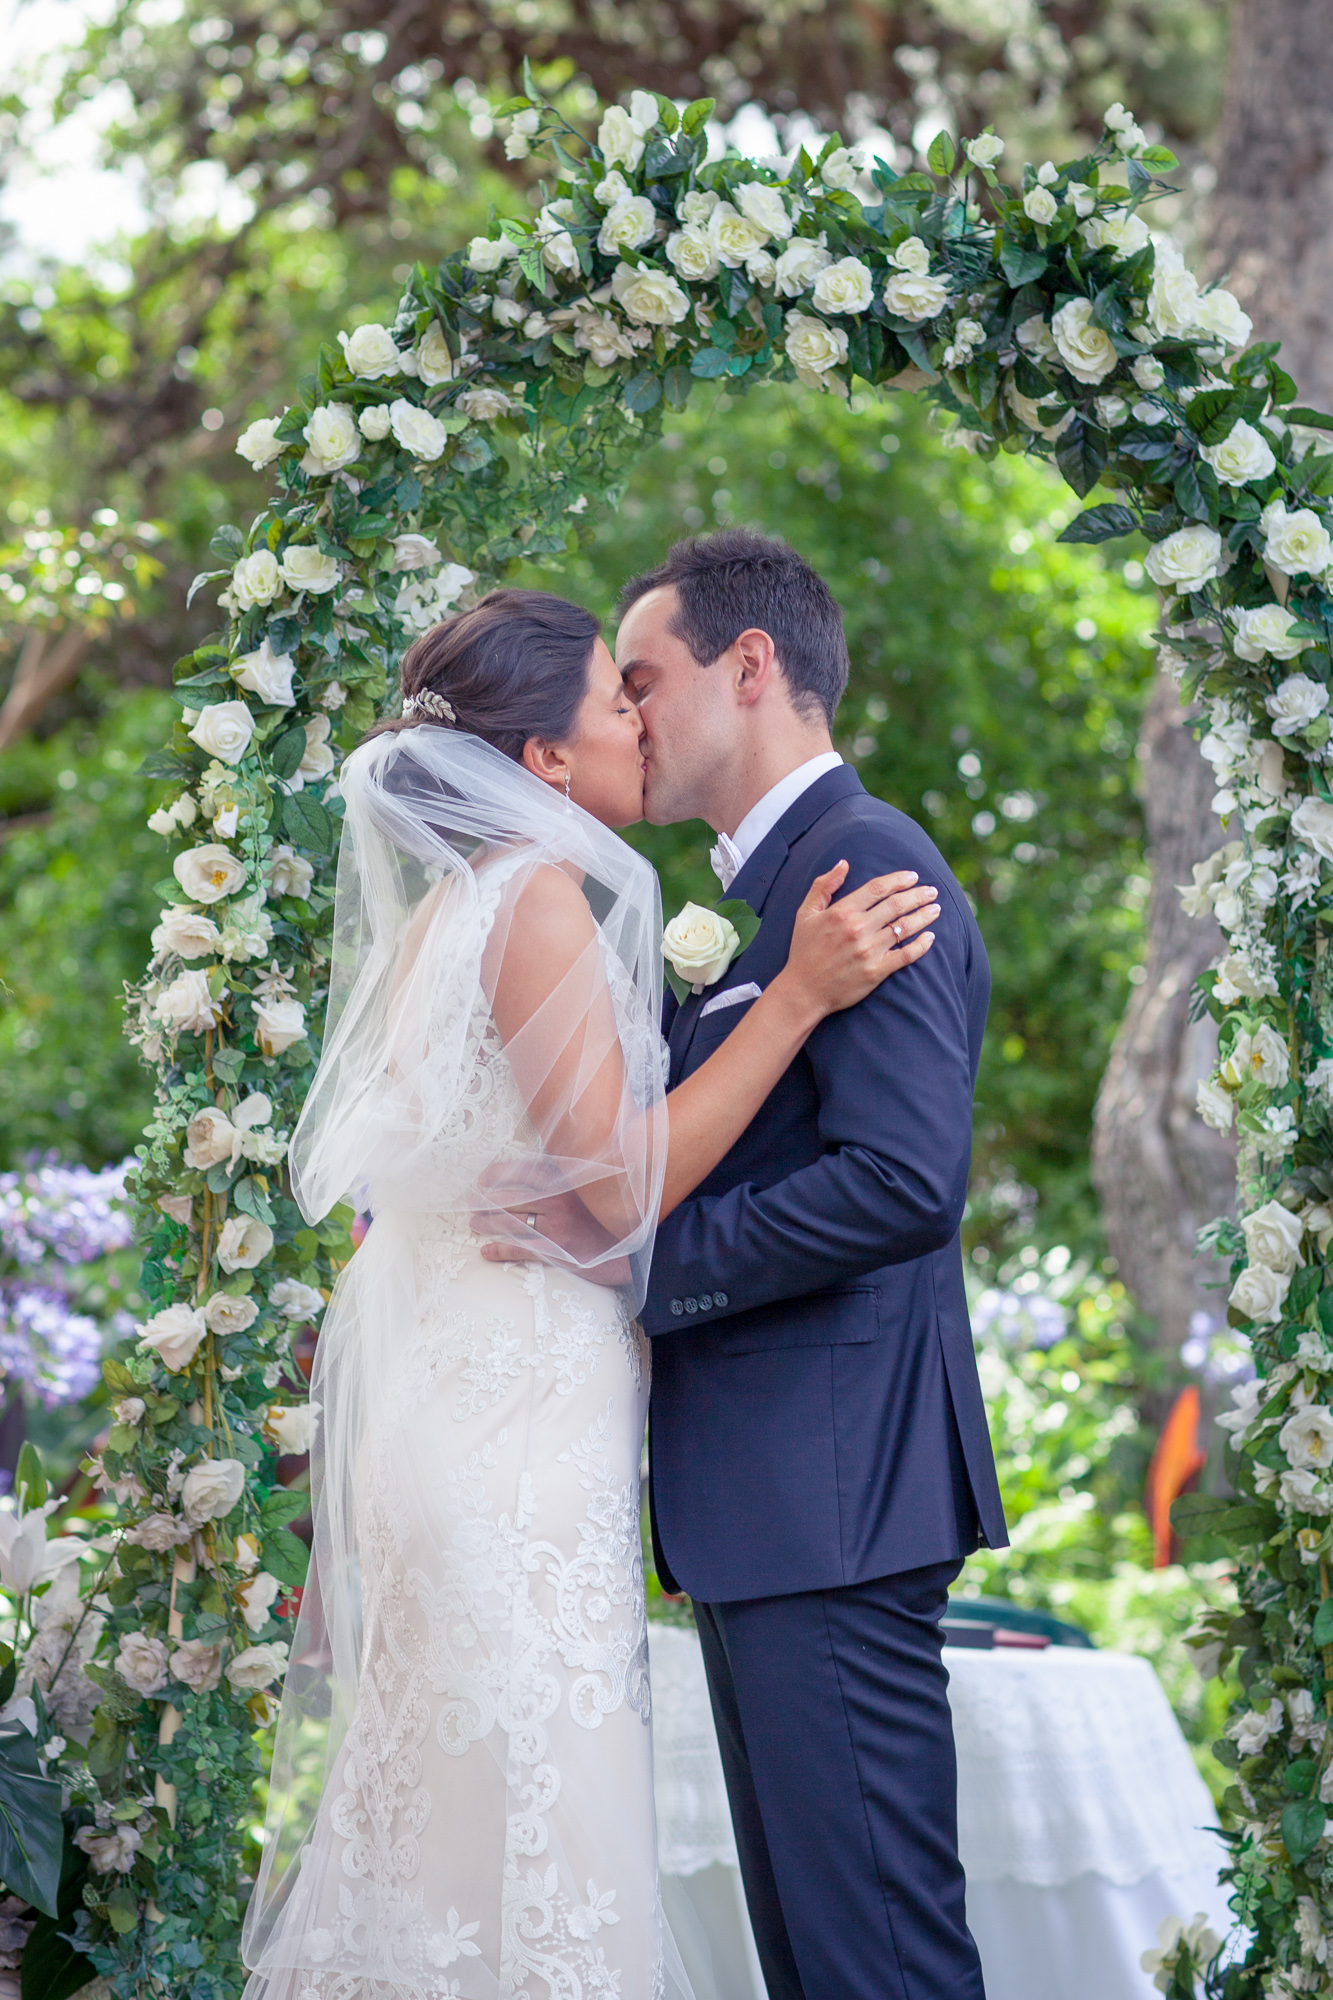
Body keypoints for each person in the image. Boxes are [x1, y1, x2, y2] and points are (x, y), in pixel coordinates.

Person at [240, 587, 938, 2000]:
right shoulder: (537, 899)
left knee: (459, 1816)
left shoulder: (459, 908)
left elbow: (561, 1174)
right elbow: (622, 1188)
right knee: (533, 1809)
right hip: (514, 1427)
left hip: (478, 1394)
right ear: (547, 759)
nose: (637, 720)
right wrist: (796, 998)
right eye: (617, 699)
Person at [608, 529, 1010, 2000]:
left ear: (749, 665)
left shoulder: (868, 861)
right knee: (821, 1962)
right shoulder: (766, 892)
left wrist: (643, 1271)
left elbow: (901, 1182)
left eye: (641, 679)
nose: (627, 715)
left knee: (876, 1959)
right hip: (772, 1506)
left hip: (831, 1495)